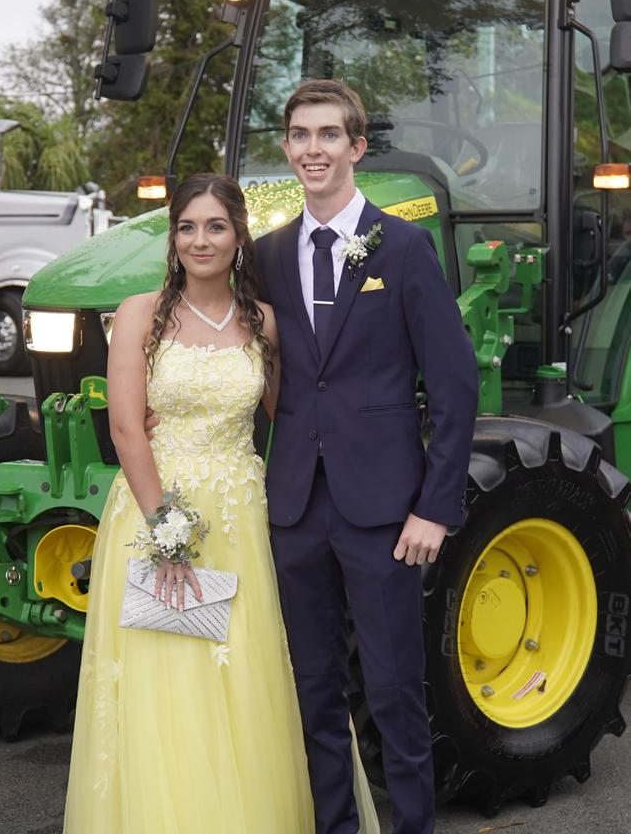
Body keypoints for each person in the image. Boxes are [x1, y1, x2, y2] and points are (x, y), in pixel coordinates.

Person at [63, 174, 379, 834]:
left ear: (239, 239)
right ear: (172, 238)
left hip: (240, 514)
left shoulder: (261, 321)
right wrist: (164, 525)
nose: (200, 240)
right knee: (169, 682)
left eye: (215, 227)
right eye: (187, 227)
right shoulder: (139, 314)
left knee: (247, 673)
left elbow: (288, 418)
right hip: (158, 515)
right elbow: (125, 426)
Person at [252, 79, 479, 834]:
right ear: (287, 148)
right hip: (294, 510)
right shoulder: (269, 256)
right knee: (315, 694)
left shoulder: (404, 247)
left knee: (393, 694)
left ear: (356, 147)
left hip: (385, 511)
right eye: (299, 135)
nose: (312, 149)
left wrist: (434, 508)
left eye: (327, 135)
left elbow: (453, 387)